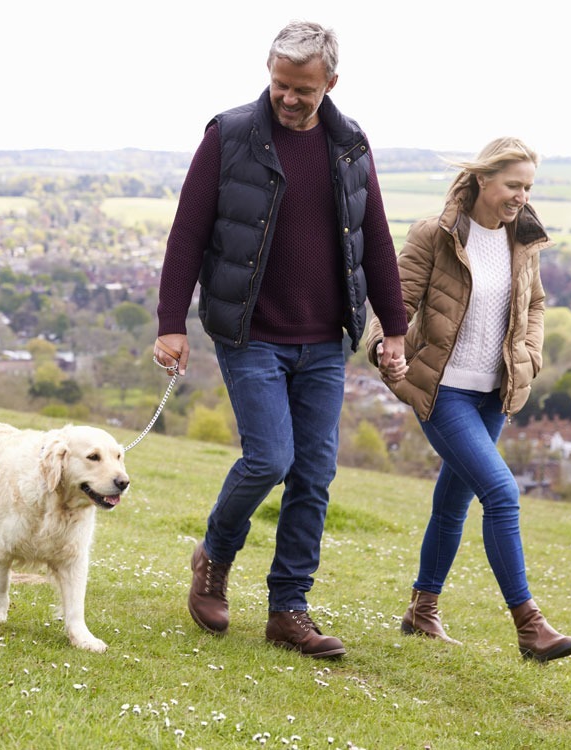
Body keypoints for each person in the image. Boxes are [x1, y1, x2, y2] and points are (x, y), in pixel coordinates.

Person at [154, 20, 408, 659]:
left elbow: (375, 239)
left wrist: (396, 330)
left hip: (324, 340)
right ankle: (214, 557)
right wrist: (170, 323)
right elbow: (188, 233)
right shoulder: (229, 135)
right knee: (270, 459)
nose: (289, 98)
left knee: (314, 475)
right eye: (280, 85)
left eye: (303, 89)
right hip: (251, 332)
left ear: (331, 83)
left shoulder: (349, 144)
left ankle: (288, 610)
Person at [365, 136, 571, 663]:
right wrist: (384, 346)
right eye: (513, 185)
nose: (521, 197)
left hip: (493, 394)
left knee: (453, 502)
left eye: (528, 188)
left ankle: (422, 610)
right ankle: (529, 625)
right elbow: (395, 301)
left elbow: (535, 304)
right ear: (483, 179)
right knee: (502, 493)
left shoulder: (522, 240)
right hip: (443, 391)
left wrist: (529, 355)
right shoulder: (434, 234)